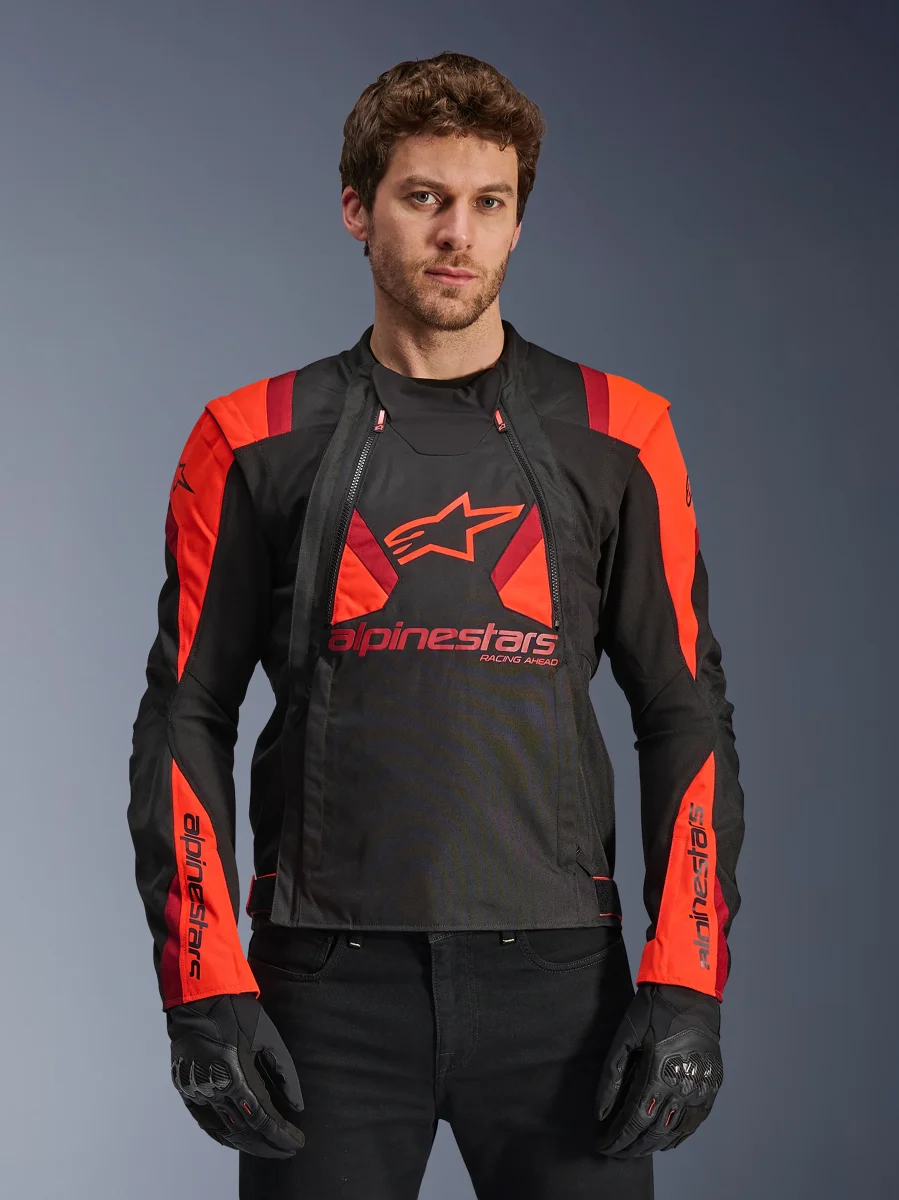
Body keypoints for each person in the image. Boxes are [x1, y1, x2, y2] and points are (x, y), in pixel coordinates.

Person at [128, 51, 745, 1200]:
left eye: (488, 202)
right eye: (423, 197)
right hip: (324, 993)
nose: (457, 234)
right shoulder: (251, 437)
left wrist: (686, 981)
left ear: (517, 221)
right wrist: (202, 986)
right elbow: (185, 714)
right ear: (357, 209)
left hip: (561, 991)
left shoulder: (620, 433)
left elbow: (682, 711)